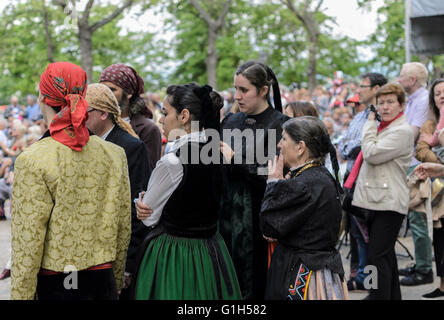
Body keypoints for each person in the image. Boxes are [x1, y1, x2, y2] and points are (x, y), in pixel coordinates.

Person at [10, 62, 131, 300]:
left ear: (43, 97)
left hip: (58, 283)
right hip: (102, 280)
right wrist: (115, 279)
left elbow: (27, 242)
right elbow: (123, 225)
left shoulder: (33, 159)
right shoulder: (114, 154)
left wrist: (21, 296)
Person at [133, 83, 241, 300]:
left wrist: (142, 199)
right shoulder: (217, 153)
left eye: (165, 112)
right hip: (212, 252)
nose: (161, 119)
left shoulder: (172, 162)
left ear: (184, 115)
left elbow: (149, 218)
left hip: (175, 256)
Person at [218, 61, 289, 299]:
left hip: (259, 220)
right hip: (225, 217)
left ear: (263, 90)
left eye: (244, 90)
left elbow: (273, 177)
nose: (237, 96)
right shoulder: (230, 121)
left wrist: (235, 159)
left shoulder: (280, 124)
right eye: (235, 89)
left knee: (256, 285)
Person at [260, 116, 347, 300]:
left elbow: (268, 226)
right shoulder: (319, 176)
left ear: (300, 147)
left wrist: (273, 184)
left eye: (284, 139)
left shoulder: (304, 184)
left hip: (302, 271)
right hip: (317, 269)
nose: (279, 144)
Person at [84, 83, 151, 299]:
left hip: (116, 251)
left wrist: (128, 264)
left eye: (85, 112)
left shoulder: (131, 147)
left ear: (103, 113)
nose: (79, 117)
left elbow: (137, 208)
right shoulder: (84, 142)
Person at [349, 83, 413, 300]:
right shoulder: (385, 127)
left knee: (376, 257)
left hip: (389, 203)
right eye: (381, 102)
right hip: (376, 200)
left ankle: (377, 296)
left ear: (402, 105)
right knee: (384, 257)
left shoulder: (402, 131)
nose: (385, 107)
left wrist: (368, 123)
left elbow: (370, 152)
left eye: (390, 102)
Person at [339, 72, 387, 290]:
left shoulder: (382, 116)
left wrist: (356, 148)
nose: (358, 89)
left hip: (369, 181)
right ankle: (359, 277)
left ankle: (369, 281)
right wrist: (355, 148)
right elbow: (344, 146)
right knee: (355, 232)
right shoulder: (360, 116)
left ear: (376, 89)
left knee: (369, 235)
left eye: (363, 85)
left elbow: (367, 148)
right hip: (351, 179)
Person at [397, 62, 434, 286]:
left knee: (417, 219)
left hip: (416, 165)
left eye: (402, 76)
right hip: (409, 163)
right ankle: (421, 263)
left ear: (412, 80)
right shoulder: (413, 100)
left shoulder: (422, 100)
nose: (399, 79)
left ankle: (424, 270)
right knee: (414, 218)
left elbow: (411, 134)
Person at [100, 64, 162, 171]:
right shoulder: (96, 122)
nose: (106, 94)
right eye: (102, 89)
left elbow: (148, 174)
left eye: (111, 90)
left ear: (129, 93)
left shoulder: (147, 130)